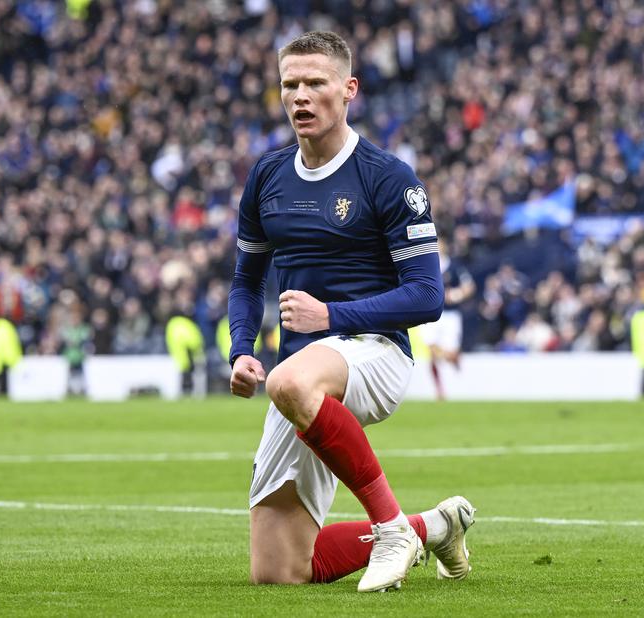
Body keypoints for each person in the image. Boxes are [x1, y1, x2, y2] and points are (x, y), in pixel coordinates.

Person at [228, 31, 475, 593]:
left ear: (349, 90)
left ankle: (391, 529)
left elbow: (426, 297)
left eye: (316, 83)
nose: (301, 97)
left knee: (290, 379)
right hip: (302, 376)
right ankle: (433, 526)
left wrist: (331, 317)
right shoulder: (268, 177)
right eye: (290, 84)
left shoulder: (388, 177)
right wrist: (242, 348)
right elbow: (246, 280)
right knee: (280, 573)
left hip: (377, 352)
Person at [419, 237, 475, 400]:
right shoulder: (426, 265)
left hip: (450, 314)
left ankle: (456, 374)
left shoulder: (455, 266)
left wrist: (456, 295)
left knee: (451, 353)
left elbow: (469, 286)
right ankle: (439, 390)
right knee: (432, 350)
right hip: (431, 315)